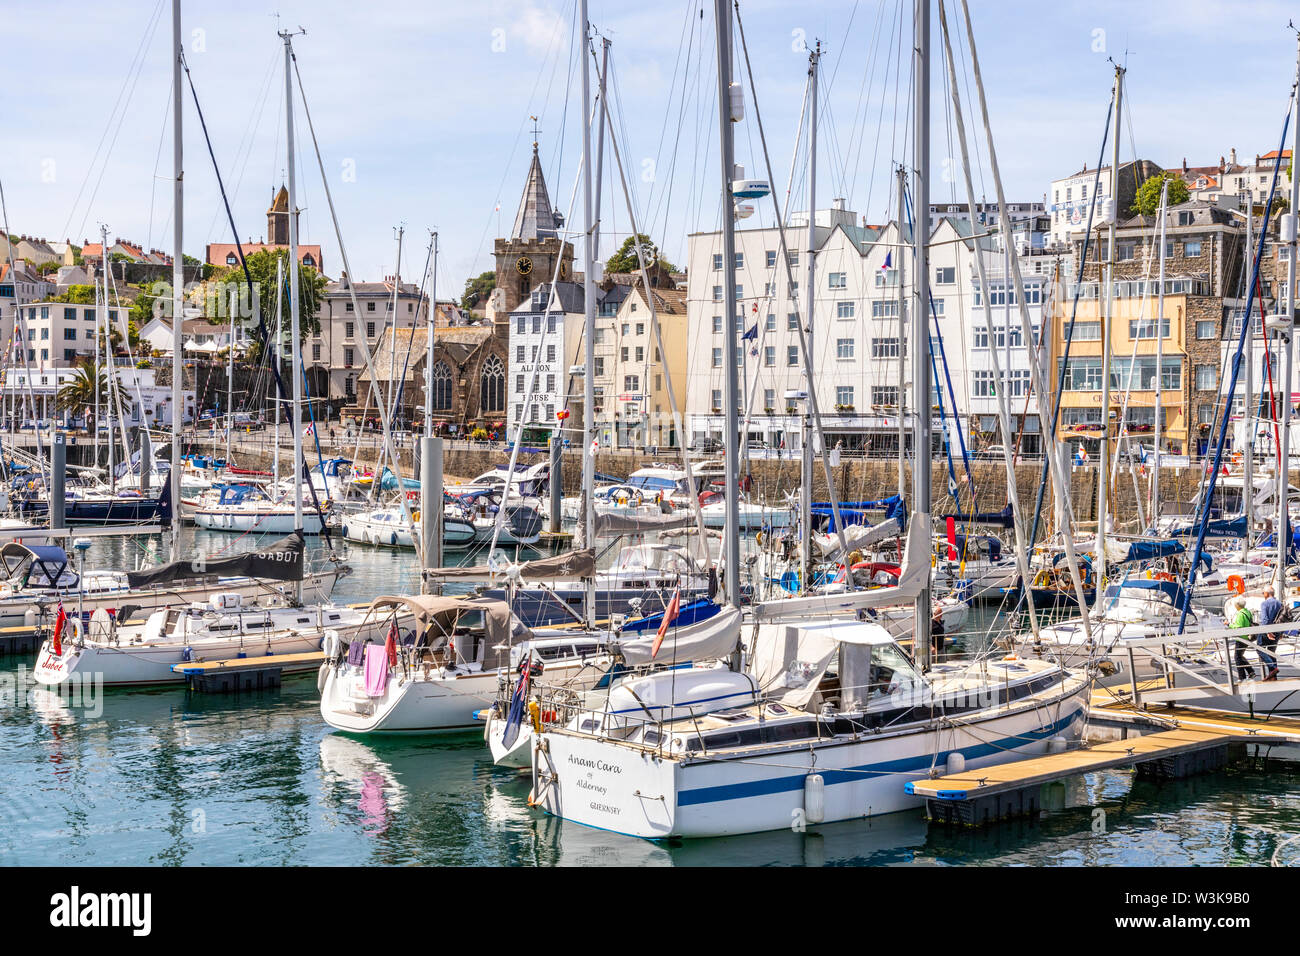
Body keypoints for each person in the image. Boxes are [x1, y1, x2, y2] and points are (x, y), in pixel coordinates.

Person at [1226, 597, 1255, 682]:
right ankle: (1251, 671)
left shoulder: (1240, 614)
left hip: (1241, 638)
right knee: (1240, 656)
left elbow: (1238, 627)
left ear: (1237, 605)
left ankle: (1241, 677)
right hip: (1247, 637)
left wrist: (1229, 625)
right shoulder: (1247, 612)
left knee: (1237, 657)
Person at [1257, 586, 1283, 681]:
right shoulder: (1280, 603)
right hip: (1277, 631)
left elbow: (1265, 619)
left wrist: (1268, 631)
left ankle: (1272, 668)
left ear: (1267, 594)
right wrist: (1281, 633)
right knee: (1272, 652)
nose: (1263, 595)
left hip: (1267, 630)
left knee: (1259, 649)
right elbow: (1282, 619)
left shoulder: (1264, 603)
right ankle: (1273, 676)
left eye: (1263, 593)